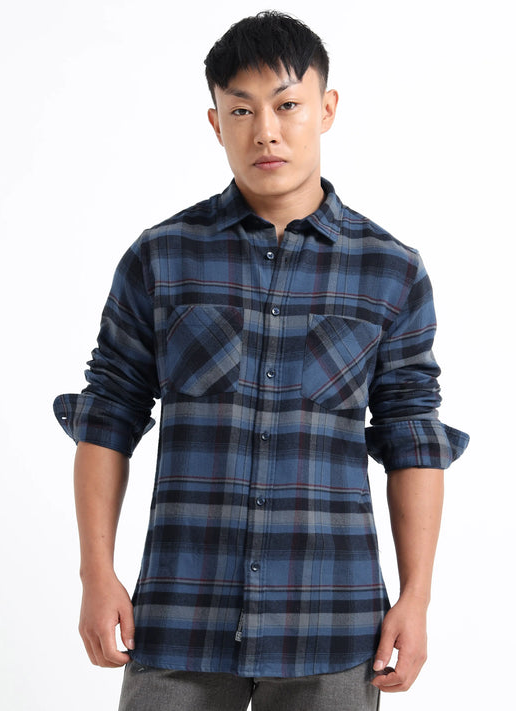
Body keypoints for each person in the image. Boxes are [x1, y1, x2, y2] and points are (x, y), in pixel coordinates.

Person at [53, 11, 469, 711]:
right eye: (241, 110)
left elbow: (411, 437)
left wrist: (416, 598)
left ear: (326, 109)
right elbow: (108, 414)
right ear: (215, 122)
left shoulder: (390, 269)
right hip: (180, 620)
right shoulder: (161, 256)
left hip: (334, 625)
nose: (265, 131)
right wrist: (96, 574)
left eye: (286, 105)